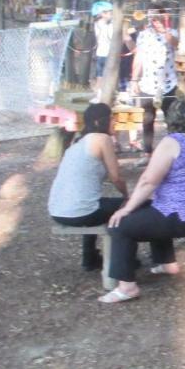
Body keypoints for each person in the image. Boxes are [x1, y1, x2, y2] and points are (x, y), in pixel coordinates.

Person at [98, 99, 185, 303]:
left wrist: (126, 209)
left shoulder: (171, 143)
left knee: (119, 226)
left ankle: (127, 287)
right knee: (152, 208)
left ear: (169, 121)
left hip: (183, 215)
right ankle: (166, 262)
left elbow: (148, 181)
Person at [48, 103, 128, 270]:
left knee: (92, 204)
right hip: (81, 211)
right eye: (112, 119)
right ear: (100, 123)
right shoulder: (102, 139)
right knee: (131, 207)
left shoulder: (77, 144)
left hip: (57, 211)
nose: (115, 123)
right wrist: (128, 197)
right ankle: (123, 260)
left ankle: (89, 258)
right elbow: (116, 177)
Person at [131, 4, 179, 155]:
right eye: (151, 17)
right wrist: (134, 79)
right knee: (147, 120)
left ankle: (173, 152)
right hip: (147, 84)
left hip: (168, 84)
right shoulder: (143, 35)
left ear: (164, 17)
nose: (153, 20)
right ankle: (147, 153)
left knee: (171, 119)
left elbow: (175, 44)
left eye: (156, 16)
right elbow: (138, 56)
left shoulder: (171, 32)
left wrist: (164, 30)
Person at [90, 2, 114, 87]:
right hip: (105, 54)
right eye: (108, 12)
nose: (111, 14)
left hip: (103, 53)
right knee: (101, 76)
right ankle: (100, 93)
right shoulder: (102, 24)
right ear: (102, 14)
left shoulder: (102, 23)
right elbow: (112, 37)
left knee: (100, 75)